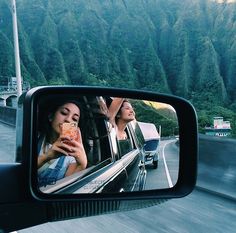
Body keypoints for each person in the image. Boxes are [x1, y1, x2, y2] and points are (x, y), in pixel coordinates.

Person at [37, 100, 87, 187]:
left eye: (74, 119)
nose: (68, 120)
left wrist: (82, 165)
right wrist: (46, 157)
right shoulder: (33, 139)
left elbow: (66, 188)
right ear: (51, 116)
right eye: (64, 113)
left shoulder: (72, 156)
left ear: (76, 127)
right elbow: (22, 172)